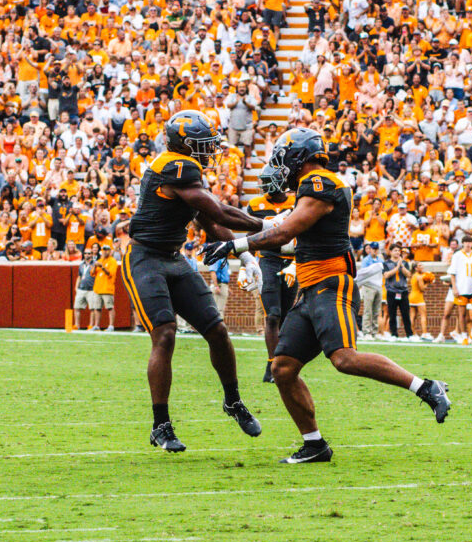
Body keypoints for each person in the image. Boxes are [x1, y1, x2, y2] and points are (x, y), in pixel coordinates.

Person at [202, 128, 450, 463]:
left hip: (331, 286)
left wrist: (236, 245)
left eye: (282, 159)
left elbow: (287, 231)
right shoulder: (313, 190)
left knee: (344, 358)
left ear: (298, 158)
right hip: (310, 291)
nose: (279, 168)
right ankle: (315, 444)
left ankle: (426, 387)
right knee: (283, 368)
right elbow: (285, 235)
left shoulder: (320, 183)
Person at [120, 110, 263, 453]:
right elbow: (220, 212)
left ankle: (232, 401)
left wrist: (243, 254)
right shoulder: (176, 167)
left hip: (173, 258)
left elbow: (210, 223)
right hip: (145, 259)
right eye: (202, 144)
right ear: (185, 145)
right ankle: (161, 425)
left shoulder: (185, 174)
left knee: (216, 330)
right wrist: (267, 227)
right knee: (165, 334)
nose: (209, 150)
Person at [246, 180, 295, 380]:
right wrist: (245, 264)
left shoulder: (296, 201)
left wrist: (298, 262)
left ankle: (282, 365)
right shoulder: (256, 204)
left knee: (286, 316)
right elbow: (250, 235)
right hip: (268, 259)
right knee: (272, 315)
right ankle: (272, 363)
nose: (265, 187)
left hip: (291, 261)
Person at [443, 239, 472, 342]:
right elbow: (452, 273)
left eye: (470, 242)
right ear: (463, 243)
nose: (468, 244)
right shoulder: (457, 256)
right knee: (462, 313)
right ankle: (464, 336)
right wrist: (454, 288)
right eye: (466, 242)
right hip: (461, 288)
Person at [355, 241, 384, 341]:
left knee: (376, 311)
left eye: (376, 249)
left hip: (378, 286)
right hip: (369, 286)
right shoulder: (366, 260)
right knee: (368, 310)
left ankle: (374, 331)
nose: (375, 251)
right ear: (370, 249)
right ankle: (366, 331)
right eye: (373, 249)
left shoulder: (380, 260)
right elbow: (364, 273)